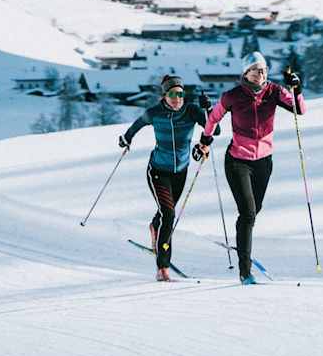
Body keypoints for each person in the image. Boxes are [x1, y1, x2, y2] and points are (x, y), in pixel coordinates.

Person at [194, 51, 303, 284]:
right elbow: (213, 118)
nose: (260, 73)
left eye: (263, 69)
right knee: (248, 213)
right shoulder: (232, 96)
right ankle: (245, 271)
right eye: (255, 69)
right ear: (246, 73)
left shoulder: (275, 91)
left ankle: (243, 241)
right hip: (237, 161)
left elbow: (299, 109)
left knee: (253, 213)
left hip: (264, 161)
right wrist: (204, 141)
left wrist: (297, 89)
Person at [119, 74, 211, 281]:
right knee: (169, 215)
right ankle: (162, 267)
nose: (177, 98)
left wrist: (209, 110)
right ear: (165, 95)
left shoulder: (192, 111)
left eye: (180, 93)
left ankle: (154, 226)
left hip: (181, 171)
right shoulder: (154, 113)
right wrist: (126, 139)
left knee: (165, 214)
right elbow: (135, 126)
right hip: (158, 171)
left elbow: (215, 128)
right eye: (172, 94)